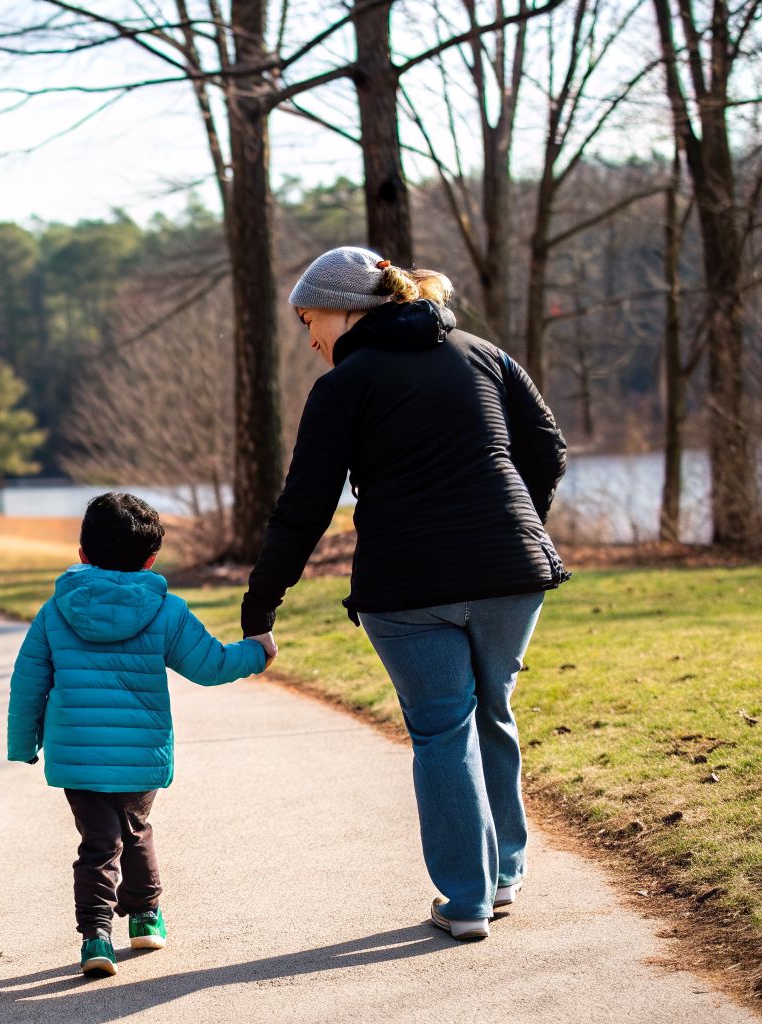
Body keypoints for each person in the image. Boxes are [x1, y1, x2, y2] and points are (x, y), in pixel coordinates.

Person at [241, 245, 569, 942]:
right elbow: (548, 449)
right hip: (510, 573)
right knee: (491, 711)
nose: (310, 339)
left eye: (310, 321)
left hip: (409, 583)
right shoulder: (484, 354)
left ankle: (468, 901)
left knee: (442, 728)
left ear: (345, 309)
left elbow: (302, 508)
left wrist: (261, 604)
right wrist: (515, 527)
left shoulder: (344, 386)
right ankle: (506, 874)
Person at [8, 491, 273, 977]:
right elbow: (211, 665)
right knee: (134, 830)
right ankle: (146, 918)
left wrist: (24, 744)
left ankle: (95, 939)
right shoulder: (165, 611)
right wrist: (256, 652)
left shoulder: (55, 611)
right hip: (139, 754)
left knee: (97, 842)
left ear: (82, 553)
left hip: (78, 757)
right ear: (151, 560)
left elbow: (29, 683)